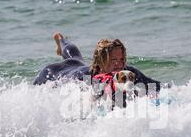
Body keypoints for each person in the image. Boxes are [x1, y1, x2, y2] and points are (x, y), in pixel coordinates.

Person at [33, 33, 161, 95]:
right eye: (113, 60)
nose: (119, 65)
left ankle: (62, 42)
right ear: (100, 62)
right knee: (71, 53)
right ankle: (61, 40)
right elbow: (60, 89)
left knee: (74, 55)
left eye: (121, 59)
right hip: (54, 71)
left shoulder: (127, 73)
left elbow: (155, 85)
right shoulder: (83, 78)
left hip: (78, 63)